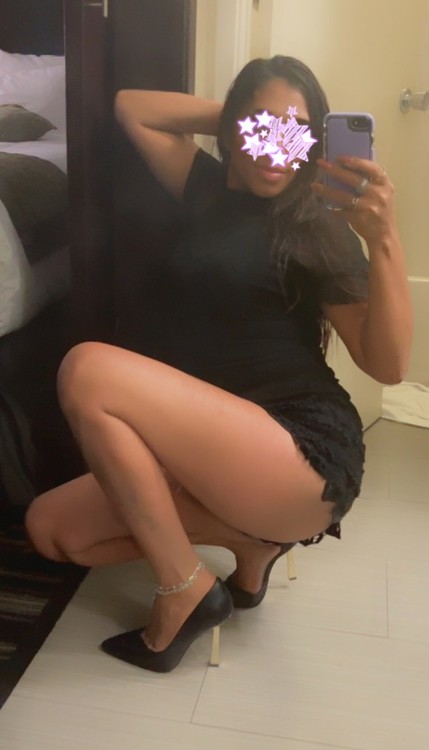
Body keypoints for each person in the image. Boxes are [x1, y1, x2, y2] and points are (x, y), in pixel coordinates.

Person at [24, 56, 412, 673]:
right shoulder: (204, 185)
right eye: (260, 127)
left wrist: (384, 239)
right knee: (51, 529)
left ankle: (185, 590)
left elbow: (388, 367)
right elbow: (133, 107)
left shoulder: (318, 227)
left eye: (295, 133)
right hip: (218, 458)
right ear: (233, 128)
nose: (276, 150)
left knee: (87, 370)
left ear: (313, 142)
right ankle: (251, 541)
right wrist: (245, 121)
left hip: (301, 451)